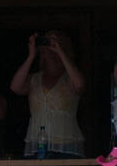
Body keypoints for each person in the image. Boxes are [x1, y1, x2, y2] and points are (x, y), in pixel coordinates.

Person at [10, 30, 86, 158]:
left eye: (53, 42)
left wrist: (60, 52)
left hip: (67, 145)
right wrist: (31, 56)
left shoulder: (70, 79)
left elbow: (79, 85)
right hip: (36, 145)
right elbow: (15, 87)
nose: (49, 46)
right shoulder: (34, 79)